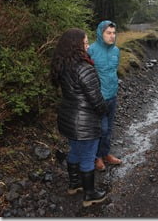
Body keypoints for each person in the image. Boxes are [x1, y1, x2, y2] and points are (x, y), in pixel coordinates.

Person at [51, 28, 108, 207]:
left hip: (68, 119)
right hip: (85, 122)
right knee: (88, 155)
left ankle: (74, 184)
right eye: (85, 43)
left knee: (74, 150)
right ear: (76, 46)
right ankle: (90, 194)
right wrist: (103, 110)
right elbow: (96, 99)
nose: (88, 45)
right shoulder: (84, 68)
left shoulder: (63, 65)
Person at [88, 20, 122, 171]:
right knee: (100, 129)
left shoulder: (116, 51)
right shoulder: (92, 51)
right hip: (98, 98)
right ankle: (97, 157)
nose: (112, 36)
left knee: (108, 129)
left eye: (114, 33)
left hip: (112, 96)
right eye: (108, 33)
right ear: (100, 34)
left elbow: (114, 71)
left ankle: (106, 153)